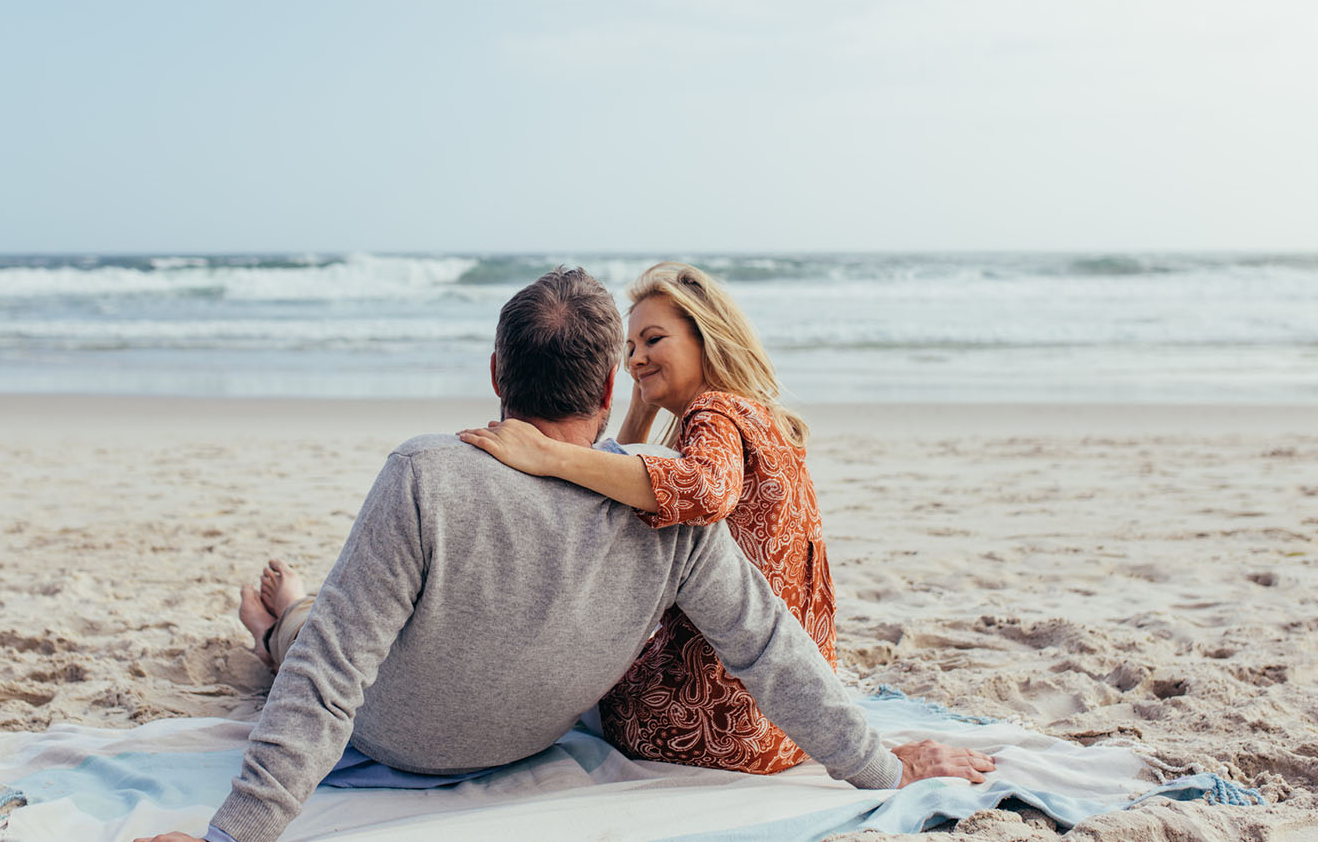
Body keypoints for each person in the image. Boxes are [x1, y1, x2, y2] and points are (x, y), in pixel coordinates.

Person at [137, 268, 991, 842]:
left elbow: (329, 682)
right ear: (611, 388)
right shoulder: (666, 501)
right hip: (527, 735)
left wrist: (231, 837)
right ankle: (284, 617)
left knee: (312, 634)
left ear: (499, 372)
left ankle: (272, 624)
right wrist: (882, 766)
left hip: (397, 736)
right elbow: (770, 650)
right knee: (346, 620)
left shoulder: (426, 473)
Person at [459, 262, 831, 774]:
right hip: (786, 723)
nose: (636, 358)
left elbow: (704, 492)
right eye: (629, 349)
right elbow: (627, 474)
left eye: (654, 340)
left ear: (708, 338)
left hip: (710, 723)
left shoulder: (715, 416)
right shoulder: (758, 417)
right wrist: (641, 405)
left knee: (549, 671)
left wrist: (547, 455)